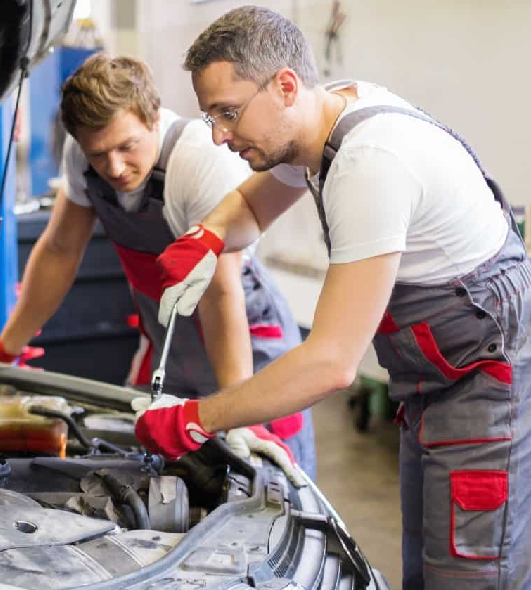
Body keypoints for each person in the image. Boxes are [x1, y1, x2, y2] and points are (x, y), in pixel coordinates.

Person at [132, 6, 531, 590]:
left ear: (286, 85)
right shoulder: (319, 120)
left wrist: (197, 419)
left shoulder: (369, 163)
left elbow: (331, 363)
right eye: (210, 116)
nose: (218, 135)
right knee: (425, 565)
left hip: (483, 381)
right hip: (433, 382)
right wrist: (208, 235)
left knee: (470, 575)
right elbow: (250, 207)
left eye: (228, 112)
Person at [0, 53, 316, 480]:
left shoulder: (198, 163)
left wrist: (238, 408)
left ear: (153, 117)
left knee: (268, 480)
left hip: (244, 337)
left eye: (127, 147)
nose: (115, 168)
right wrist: (6, 349)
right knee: (147, 467)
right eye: (100, 154)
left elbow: (220, 292)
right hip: (169, 336)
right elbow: (60, 250)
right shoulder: (84, 155)